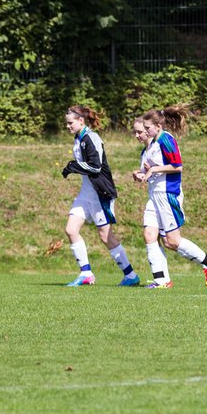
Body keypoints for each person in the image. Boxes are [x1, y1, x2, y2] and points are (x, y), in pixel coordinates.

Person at [130, 106, 207, 289]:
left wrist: (154, 169)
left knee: (172, 241)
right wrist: (140, 174)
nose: (144, 133)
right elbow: (150, 171)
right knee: (149, 234)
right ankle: (161, 280)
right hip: (153, 196)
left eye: (146, 129)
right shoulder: (150, 147)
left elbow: (177, 166)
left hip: (168, 194)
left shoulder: (166, 140)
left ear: (157, 126)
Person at [59, 105, 141, 287]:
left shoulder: (92, 138)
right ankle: (86, 273)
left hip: (100, 195)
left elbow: (95, 166)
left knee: (106, 237)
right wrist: (73, 167)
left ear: (81, 120)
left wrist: (73, 166)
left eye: (70, 123)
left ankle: (130, 275)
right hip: (85, 194)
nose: (68, 126)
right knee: (71, 230)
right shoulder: (78, 138)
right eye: (66, 123)